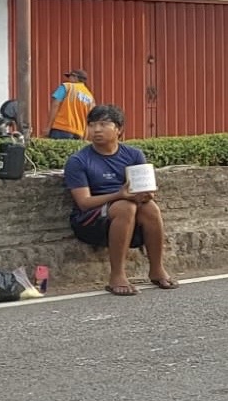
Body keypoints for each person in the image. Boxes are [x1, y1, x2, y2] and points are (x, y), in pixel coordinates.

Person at [63, 104, 177, 296]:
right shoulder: (79, 161)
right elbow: (84, 203)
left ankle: (157, 269)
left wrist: (146, 194)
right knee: (125, 207)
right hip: (90, 220)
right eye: (92, 125)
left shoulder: (133, 155)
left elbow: (144, 190)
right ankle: (117, 275)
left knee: (150, 208)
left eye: (103, 124)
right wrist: (119, 195)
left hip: (127, 214)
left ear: (119, 129)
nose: (96, 130)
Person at [48, 68, 96, 140]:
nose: (68, 79)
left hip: (61, 128)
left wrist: (49, 126)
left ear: (75, 77)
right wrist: (85, 137)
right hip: (79, 133)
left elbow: (55, 105)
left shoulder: (66, 87)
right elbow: (90, 119)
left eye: (69, 76)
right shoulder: (90, 97)